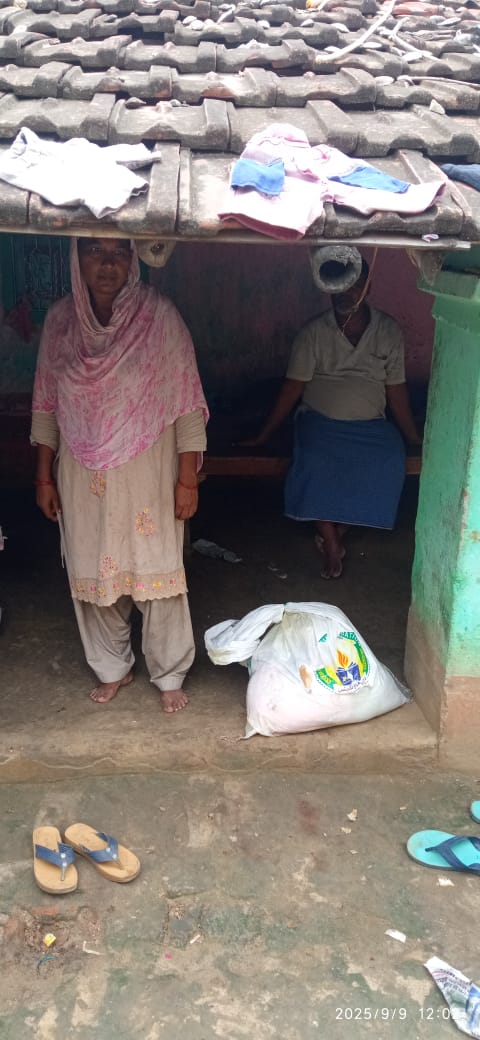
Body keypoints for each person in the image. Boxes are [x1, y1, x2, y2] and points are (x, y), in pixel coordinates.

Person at [31, 237, 208, 711]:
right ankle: (113, 667)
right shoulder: (60, 321)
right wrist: (44, 477)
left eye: (119, 252)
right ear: (76, 258)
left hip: (148, 469)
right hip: (82, 473)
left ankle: (170, 672)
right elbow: (46, 403)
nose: (107, 263)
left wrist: (187, 479)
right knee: (94, 572)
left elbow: (187, 402)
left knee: (157, 570)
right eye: (94, 251)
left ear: (134, 259)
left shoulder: (160, 317)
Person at [246, 258, 421, 578]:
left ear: (368, 288)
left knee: (389, 459)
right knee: (314, 460)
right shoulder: (313, 333)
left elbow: (396, 389)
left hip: (371, 427)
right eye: (338, 286)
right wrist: (264, 434)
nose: (345, 293)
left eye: (354, 285)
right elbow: (293, 388)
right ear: (328, 289)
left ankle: (337, 533)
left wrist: (412, 437)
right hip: (320, 423)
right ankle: (330, 541)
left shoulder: (388, 330)